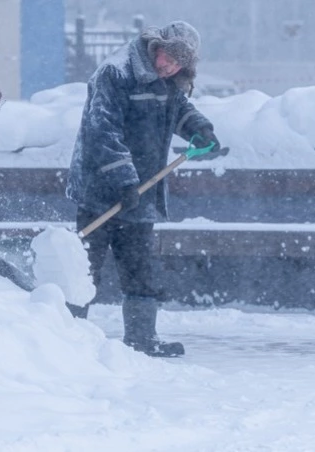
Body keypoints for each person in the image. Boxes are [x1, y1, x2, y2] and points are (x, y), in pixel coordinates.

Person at [65, 21, 225, 357]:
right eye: (168, 57)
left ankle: (141, 338)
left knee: (139, 267)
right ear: (157, 45)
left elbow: (177, 110)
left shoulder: (167, 82)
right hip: (100, 190)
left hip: (140, 193)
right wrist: (123, 179)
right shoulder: (116, 73)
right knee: (85, 266)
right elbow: (102, 131)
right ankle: (67, 335)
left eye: (179, 64)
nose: (169, 67)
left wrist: (200, 129)